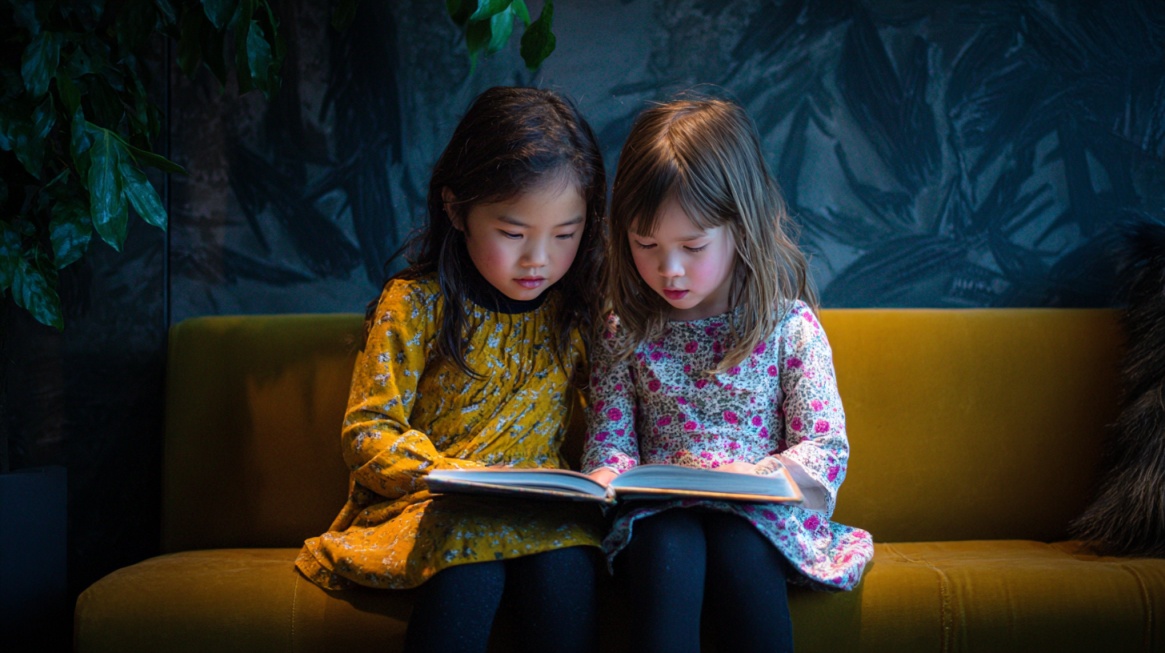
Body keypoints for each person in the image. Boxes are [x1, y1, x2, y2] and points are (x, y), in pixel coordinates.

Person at [296, 86, 608, 653]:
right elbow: (368, 430)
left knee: (568, 563)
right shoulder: (416, 304)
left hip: (540, 513)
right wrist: (443, 472)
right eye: (513, 234)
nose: (539, 258)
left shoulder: (576, 312)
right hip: (433, 505)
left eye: (566, 234)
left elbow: (613, 413)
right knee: (471, 563)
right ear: (456, 209)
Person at [582, 95, 873, 653]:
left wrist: (755, 475)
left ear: (741, 226)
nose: (669, 269)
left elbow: (826, 446)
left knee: (740, 548)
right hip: (662, 514)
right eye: (646, 245)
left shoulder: (789, 326)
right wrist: (608, 479)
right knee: (669, 549)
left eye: (692, 246)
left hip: (760, 515)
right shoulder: (627, 331)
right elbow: (610, 444)